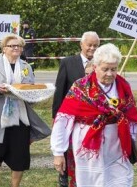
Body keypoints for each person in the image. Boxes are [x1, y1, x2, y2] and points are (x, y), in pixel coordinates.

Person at [50, 43, 137, 187]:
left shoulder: (123, 86)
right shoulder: (80, 88)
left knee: (120, 180)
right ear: (95, 67)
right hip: (88, 146)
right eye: (105, 69)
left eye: (114, 69)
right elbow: (63, 121)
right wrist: (58, 152)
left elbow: (132, 118)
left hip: (117, 145)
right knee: (91, 181)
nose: (110, 74)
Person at [0, 34, 51, 187]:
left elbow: (29, 88)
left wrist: (33, 93)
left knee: (20, 156)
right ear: (4, 49)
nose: (16, 48)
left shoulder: (26, 67)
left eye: (19, 46)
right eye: (12, 46)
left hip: (20, 117)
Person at [51, 31, 100, 186]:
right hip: (71, 116)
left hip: (94, 118)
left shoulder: (102, 64)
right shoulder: (68, 62)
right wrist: (55, 115)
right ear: (81, 44)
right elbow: (60, 91)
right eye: (89, 45)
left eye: (95, 45)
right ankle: (64, 176)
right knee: (68, 145)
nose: (92, 48)